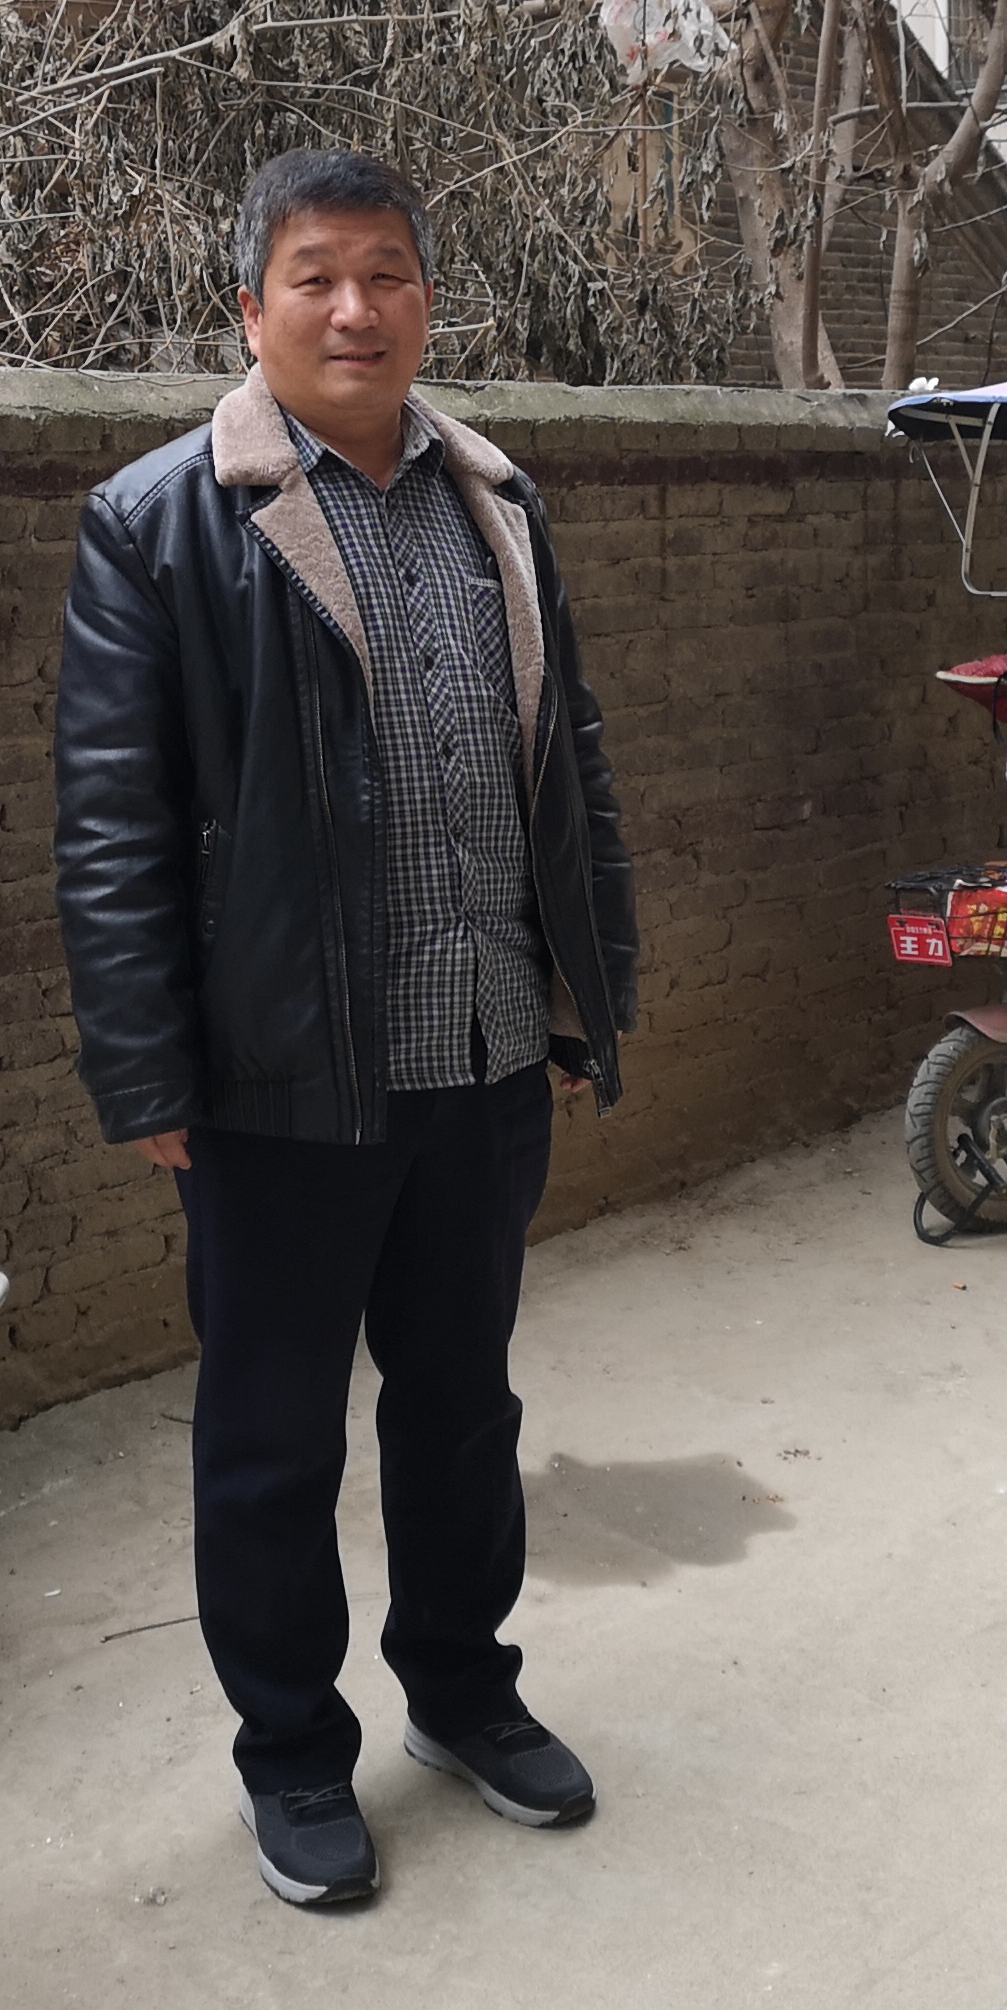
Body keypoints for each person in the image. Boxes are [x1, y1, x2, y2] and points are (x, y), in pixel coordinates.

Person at [52, 145, 640, 1909]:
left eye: (385, 273)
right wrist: (146, 1068)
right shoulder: (162, 523)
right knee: (272, 1442)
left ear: (425, 302)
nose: (353, 308)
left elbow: (572, 761)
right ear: (251, 308)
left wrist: (587, 988)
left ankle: (462, 1694)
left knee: (460, 1410)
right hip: (281, 1080)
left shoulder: (497, 502)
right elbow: (111, 822)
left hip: (481, 1052)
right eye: (314, 275)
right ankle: (293, 1756)